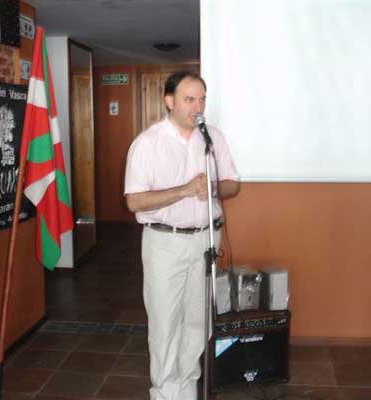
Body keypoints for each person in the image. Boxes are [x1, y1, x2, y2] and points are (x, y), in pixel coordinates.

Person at [124, 71, 240, 400]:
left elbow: (234, 183)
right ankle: (164, 392)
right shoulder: (147, 143)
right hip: (165, 243)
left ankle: (187, 387)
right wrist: (186, 190)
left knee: (198, 322)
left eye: (202, 99)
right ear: (169, 101)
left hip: (206, 241)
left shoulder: (212, 138)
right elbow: (134, 200)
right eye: (189, 99)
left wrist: (213, 188)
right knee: (165, 323)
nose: (198, 106)